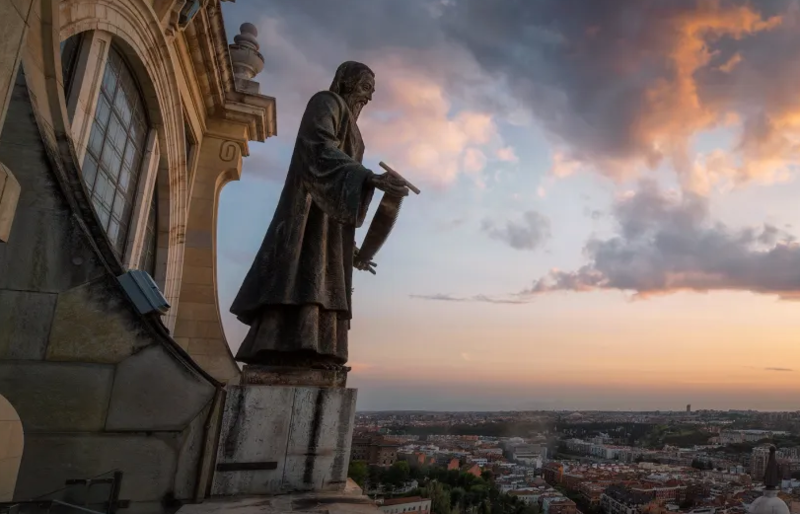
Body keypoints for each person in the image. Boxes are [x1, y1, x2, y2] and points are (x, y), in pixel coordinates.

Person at [230, 61, 408, 370]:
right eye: (365, 88)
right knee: (300, 273)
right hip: (309, 208)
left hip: (331, 220)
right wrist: (368, 178)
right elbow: (318, 147)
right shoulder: (326, 102)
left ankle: (318, 350)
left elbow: (341, 183)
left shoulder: (354, 129)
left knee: (325, 279)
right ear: (346, 82)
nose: (368, 98)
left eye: (372, 92)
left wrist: (351, 248)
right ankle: (285, 349)